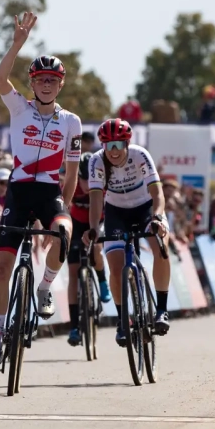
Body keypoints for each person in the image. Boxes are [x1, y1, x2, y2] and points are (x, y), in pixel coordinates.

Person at [0, 11, 82, 372]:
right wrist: (17, 44)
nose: (45, 84)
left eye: (51, 80)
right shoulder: (19, 108)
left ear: (60, 85)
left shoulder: (71, 122)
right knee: (2, 269)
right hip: (19, 192)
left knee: (64, 231)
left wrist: (65, 208)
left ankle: (45, 287)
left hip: (47, 193)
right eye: (39, 78)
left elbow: (71, 171)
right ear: (32, 82)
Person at [82, 118, 171, 347]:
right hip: (116, 212)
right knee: (115, 264)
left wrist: (158, 217)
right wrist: (92, 228)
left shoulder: (140, 155)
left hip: (145, 208)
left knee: (161, 246)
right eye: (108, 145)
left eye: (118, 145)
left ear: (127, 144)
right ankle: (123, 321)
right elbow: (95, 198)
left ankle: (161, 309)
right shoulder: (96, 162)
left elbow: (157, 194)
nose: (113, 151)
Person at [66, 151, 111, 347]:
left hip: (97, 223)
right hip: (76, 224)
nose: (85, 184)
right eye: (82, 179)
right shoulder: (72, 186)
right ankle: (74, 326)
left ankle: (102, 281)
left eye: (88, 179)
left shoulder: (102, 186)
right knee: (73, 273)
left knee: (97, 250)